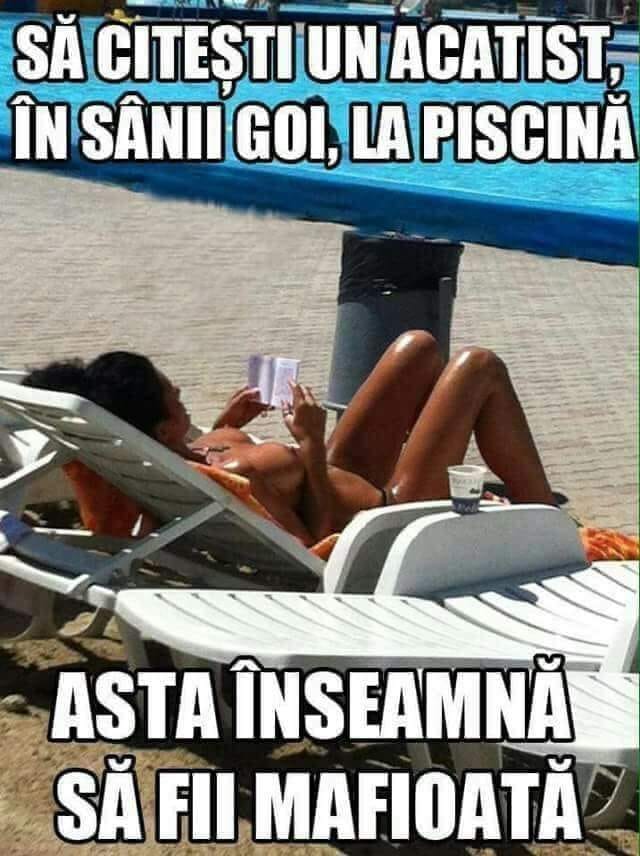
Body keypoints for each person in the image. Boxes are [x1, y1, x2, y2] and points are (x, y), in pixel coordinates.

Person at [23, 335, 555, 545]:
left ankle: (524, 505)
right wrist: (313, 447)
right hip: (383, 512)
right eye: (172, 393)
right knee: (478, 366)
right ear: (161, 429)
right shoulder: (232, 478)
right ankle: (546, 522)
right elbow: (318, 541)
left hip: (342, 471)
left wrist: (227, 422)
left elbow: (203, 454)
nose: (179, 389)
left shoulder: (174, 457)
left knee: (416, 348)